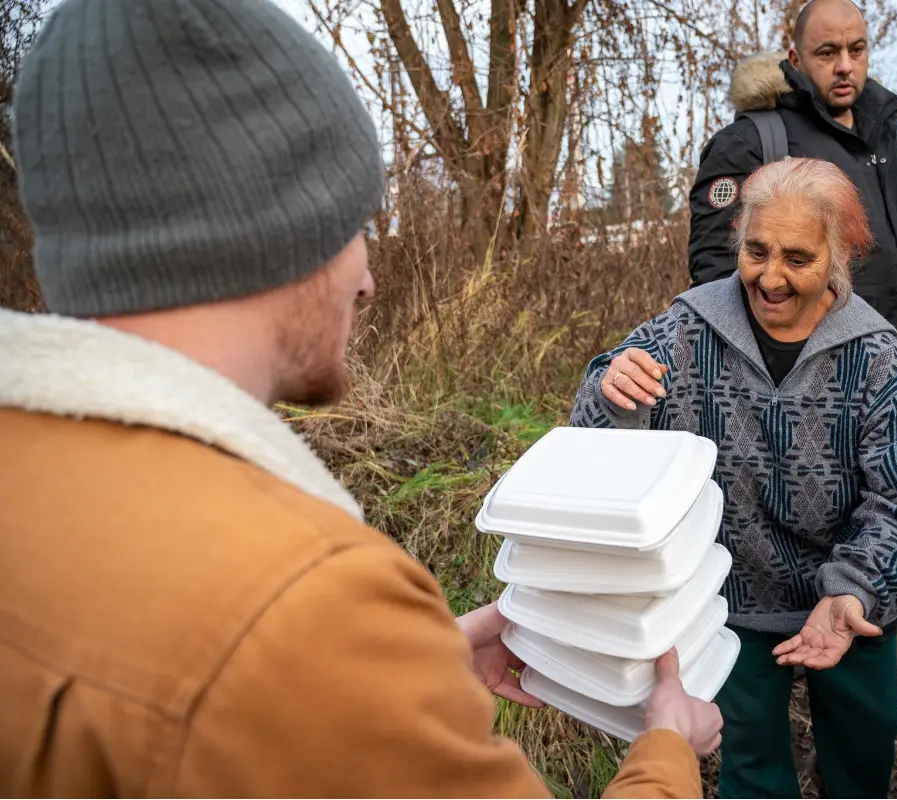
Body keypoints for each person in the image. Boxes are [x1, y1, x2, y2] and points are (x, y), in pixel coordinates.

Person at [0, 0, 721, 796]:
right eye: (355, 224)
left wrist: (407, 668)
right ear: (279, 232)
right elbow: (270, 649)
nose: (368, 279)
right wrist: (666, 747)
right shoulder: (308, 599)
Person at [571, 156, 897, 799]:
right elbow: (600, 438)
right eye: (757, 250)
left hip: (848, 601)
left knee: (865, 750)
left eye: (798, 258)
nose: (771, 277)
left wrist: (854, 591)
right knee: (751, 767)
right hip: (730, 597)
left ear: (839, 257)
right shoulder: (686, 331)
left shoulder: (876, 357)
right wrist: (610, 387)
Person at [686, 0, 897, 639]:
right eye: (828, 52)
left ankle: (873, 591)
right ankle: (784, 618)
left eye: (857, 48)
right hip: (797, 375)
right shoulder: (758, 140)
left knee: (883, 487)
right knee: (801, 504)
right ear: (795, 56)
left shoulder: (883, 135)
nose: (846, 65)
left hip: (887, 361)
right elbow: (718, 268)